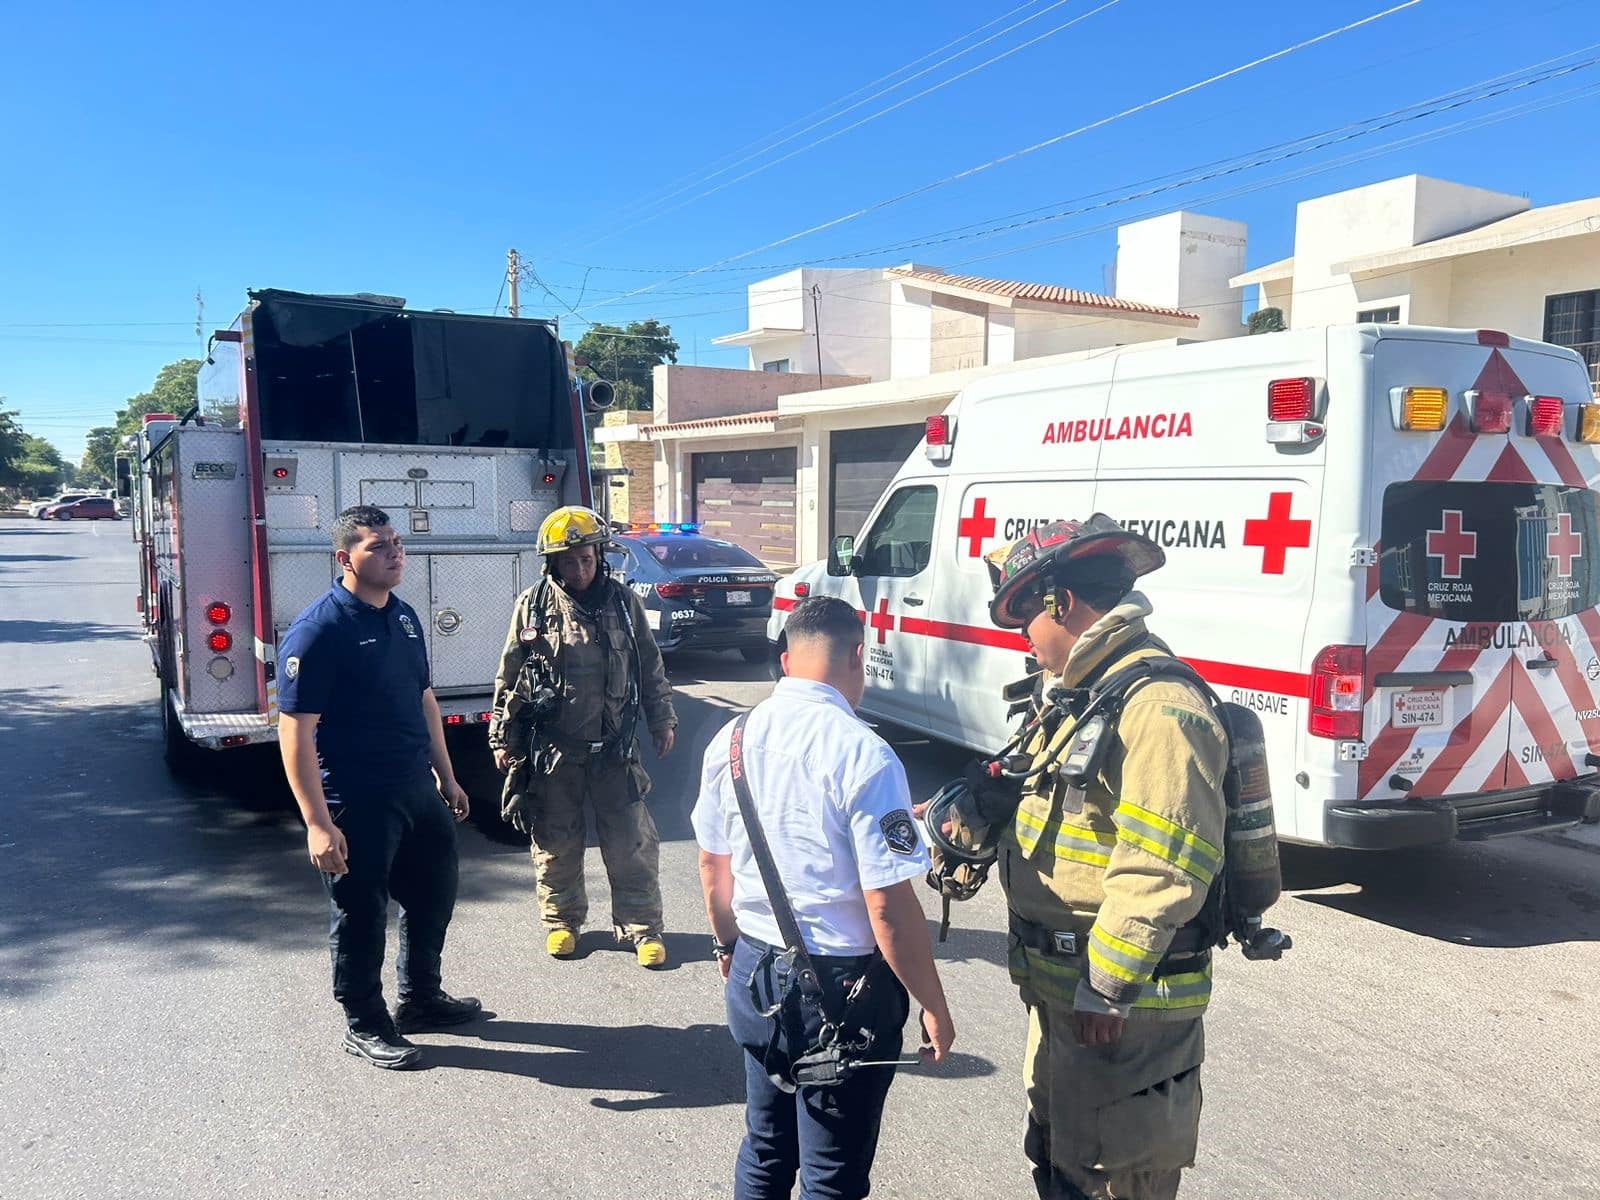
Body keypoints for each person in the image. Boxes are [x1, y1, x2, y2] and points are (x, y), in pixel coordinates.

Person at [976, 516, 1228, 1200]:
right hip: (1067, 991)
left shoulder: (1159, 708)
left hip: (1123, 1011)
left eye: (1026, 615)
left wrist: (1107, 985)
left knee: (1119, 1179)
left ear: (1061, 603)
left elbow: (1163, 864)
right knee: (1063, 1162)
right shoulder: (1083, 695)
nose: (1023, 636)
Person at [693, 595, 955, 1200]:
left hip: (756, 969)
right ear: (858, 656)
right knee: (831, 1174)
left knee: (764, 1147)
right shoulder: (864, 753)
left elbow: (712, 863)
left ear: (786, 659)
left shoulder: (731, 738)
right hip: (843, 990)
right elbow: (887, 907)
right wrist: (933, 1003)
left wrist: (725, 944)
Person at [277, 505, 481, 1071]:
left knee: (432, 894)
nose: (395, 553)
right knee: (361, 913)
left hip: (414, 784)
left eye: (396, 543)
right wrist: (318, 823)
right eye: (378, 546)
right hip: (355, 797)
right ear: (345, 559)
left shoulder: (406, 616)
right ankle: (364, 1022)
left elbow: (423, 699)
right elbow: (295, 730)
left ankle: (421, 999)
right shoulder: (321, 629)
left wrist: (446, 774)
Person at [488, 505, 677, 967]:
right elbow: (509, 675)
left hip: (614, 748)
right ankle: (561, 922)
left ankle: (642, 928)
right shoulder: (533, 607)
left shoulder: (624, 604)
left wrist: (662, 719)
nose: (579, 568)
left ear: (600, 556)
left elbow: (650, 666)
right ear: (553, 564)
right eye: (568, 561)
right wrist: (502, 737)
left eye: (586, 558)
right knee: (556, 841)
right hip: (553, 751)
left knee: (631, 841)